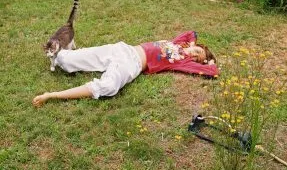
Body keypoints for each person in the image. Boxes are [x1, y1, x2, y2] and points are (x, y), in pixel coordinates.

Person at [33, 31, 219, 107]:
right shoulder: (177, 43)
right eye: (196, 51)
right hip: (123, 49)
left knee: (108, 87)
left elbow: (213, 72)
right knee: (66, 60)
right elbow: (191, 32)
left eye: (197, 58)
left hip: (132, 64)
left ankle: (53, 95)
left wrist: (207, 63)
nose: (193, 56)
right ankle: (59, 51)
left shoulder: (182, 62)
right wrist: (194, 44)